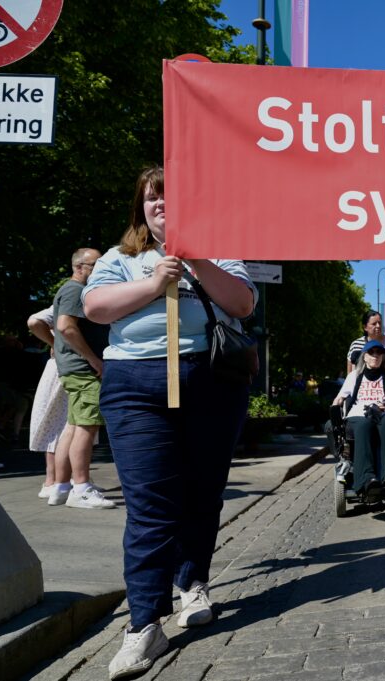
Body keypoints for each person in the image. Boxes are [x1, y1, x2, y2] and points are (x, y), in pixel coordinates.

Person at [83, 166, 258, 678]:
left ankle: (193, 581)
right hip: (136, 386)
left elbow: (242, 303)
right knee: (150, 506)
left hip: (210, 380)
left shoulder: (218, 252)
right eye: (153, 198)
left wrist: (197, 258)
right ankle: (143, 625)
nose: (162, 204)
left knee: (203, 493)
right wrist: (155, 282)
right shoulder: (120, 259)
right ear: (141, 208)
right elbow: (95, 308)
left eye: (171, 197)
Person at [52, 247, 116, 510]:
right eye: (95, 265)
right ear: (79, 267)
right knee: (86, 428)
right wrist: (94, 359)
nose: (100, 269)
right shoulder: (75, 290)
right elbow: (66, 326)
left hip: (74, 368)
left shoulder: (70, 290)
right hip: (83, 370)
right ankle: (81, 488)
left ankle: (62, 486)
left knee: (73, 427)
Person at [333, 339, 385, 499]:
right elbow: (340, 397)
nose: (375, 356)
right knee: (364, 425)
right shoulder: (354, 376)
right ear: (364, 357)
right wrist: (336, 404)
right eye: (371, 353)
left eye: (379, 352)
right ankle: (366, 480)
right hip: (360, 413)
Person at [26, 306, 78, 499]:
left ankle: (58, 479)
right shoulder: (71, 298)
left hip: (64, 366)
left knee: (64, 423)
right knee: (63, 424)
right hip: (65, 368)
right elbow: (34, 321)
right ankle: (53, 480)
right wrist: (56, 343)